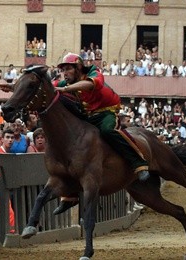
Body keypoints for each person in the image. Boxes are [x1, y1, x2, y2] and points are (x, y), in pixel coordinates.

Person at [53, 53, 150, 214]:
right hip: (89, 115)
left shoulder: (94, 73)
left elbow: (90, 85)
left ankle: (139, 163)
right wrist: (15, 86)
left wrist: (65, 89)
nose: (64, 73)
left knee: (107, 131)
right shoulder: (68, 81)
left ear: (78, 67)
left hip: (107, 112)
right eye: (63, 70)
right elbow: (48, 85)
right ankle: (69, 197)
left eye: (68, 69)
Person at [0, 128, 16, 233]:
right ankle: (12, 236)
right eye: (8, 137)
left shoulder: (7, 153)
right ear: (2, 139)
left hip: (2, 191)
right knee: (8, 215)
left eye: (12, 138)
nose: (10, 140)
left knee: (8, 214)